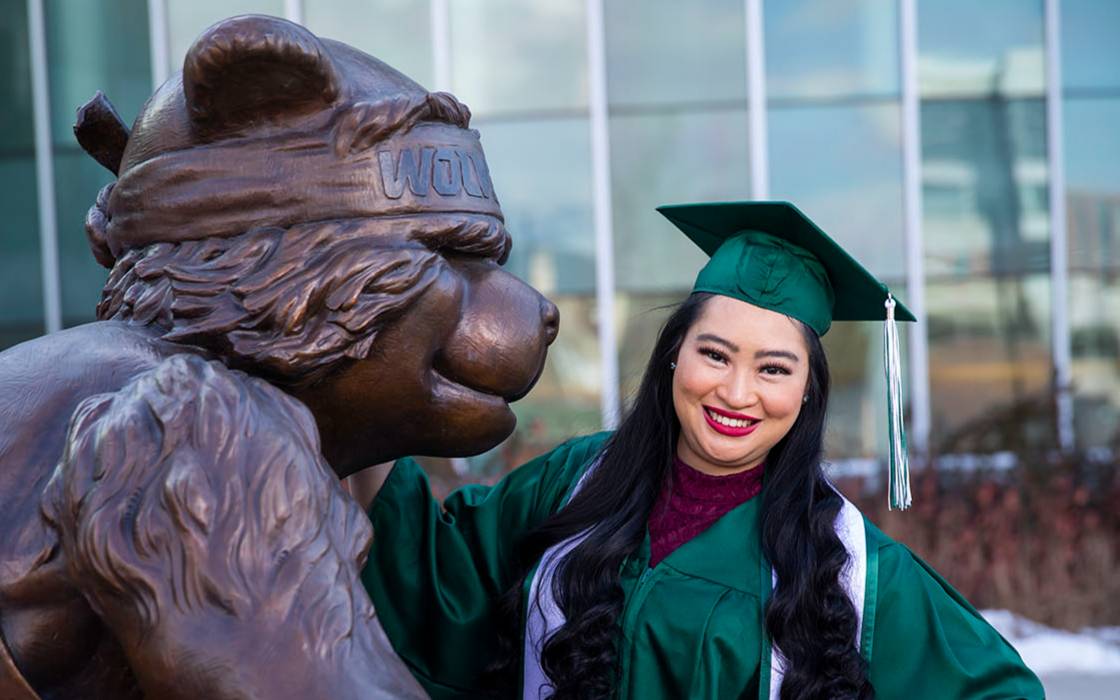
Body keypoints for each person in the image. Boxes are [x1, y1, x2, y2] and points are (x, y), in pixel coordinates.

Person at [362, 201, 1044, 699]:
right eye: (714, 354)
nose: (736, 392)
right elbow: (433, 573)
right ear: (672, 357)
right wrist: (357, 419)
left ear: (808, 391)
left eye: (774, 369)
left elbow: (997, 692)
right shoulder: (575, 480)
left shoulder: (848, 564)